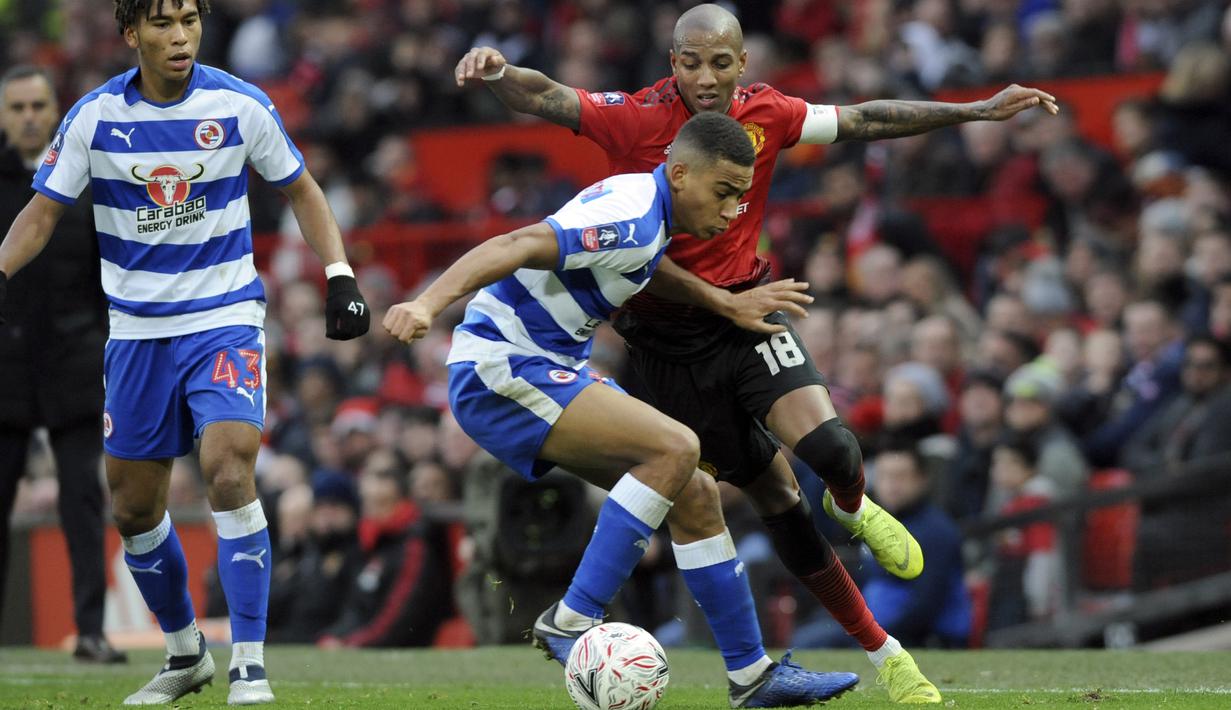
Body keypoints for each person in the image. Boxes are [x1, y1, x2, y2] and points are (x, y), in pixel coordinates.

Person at [454, 5, 1057, 699]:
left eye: (720, 63)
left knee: (831, 450)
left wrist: (975, 110)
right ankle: (879, 653)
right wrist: (497, 70)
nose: (706, 78)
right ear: (672, 62)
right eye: (691, 63)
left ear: (742, 63)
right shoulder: (634, 118)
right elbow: (546, 95)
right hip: (663, 348)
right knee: (769, 497)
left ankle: (852, 506)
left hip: (748, 314)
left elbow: (864, 118)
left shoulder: (768, 112)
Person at [384, 112, 860, 708]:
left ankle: (752, 676)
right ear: (680, 173)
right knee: (677, 448)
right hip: (502, 365)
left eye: (739, 195)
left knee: (695, 492)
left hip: (548, 361)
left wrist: (720, 302)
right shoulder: (632, 218)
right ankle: (572, 619)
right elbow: (517, 244)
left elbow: (644, 266)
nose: (732, 210)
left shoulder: (649, 211)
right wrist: (427, 304)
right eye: (722, 192)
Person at [0, 1, 370, 704]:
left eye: (190, 20)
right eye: (163, 23)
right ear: (130, 33)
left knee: (228, 466)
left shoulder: (239, 104)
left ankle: (249, 663)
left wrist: (340, 274)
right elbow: (42, 212)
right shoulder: (94, 118)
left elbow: (301, 187)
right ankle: (185, 654)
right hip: (136, 333)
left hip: (223, 318)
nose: (181, 36)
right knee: (133, 507)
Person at [0, 65, 125, 663]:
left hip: (74, 365)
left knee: (83, 503)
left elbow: (110, 276)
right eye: (17, 107)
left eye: (38, 105)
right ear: (3, 116)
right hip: (4, 370)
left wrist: (103, 345)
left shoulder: (87, 181)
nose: (29, 117)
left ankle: (91, 631)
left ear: (56, 111)